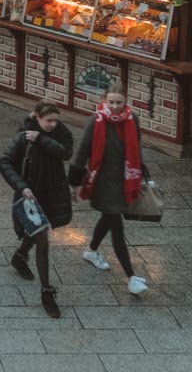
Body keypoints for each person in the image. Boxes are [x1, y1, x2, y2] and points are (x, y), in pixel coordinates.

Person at [70, 83, 152, 296]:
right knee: (116, 226)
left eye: (119, 102)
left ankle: (91, 251)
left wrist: (140, 171)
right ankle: (130, 276)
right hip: (103, 182)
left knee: (108, 219)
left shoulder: (133, 120)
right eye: (111, 102)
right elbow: (82, 152)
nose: (115, 107)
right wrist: (75, 181)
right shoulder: (95, 121)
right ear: (105, 100)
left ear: (126, 102)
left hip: (125, 180)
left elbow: (137, 146)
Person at [0, 100, 74, 319]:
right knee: (42, 240)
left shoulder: (58, 133)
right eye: (48, 120)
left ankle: (20, 256)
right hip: (31, 197)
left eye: (55, 120)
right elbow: (4, 162)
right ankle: (46, 291)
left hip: (52, 195)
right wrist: (21, 187)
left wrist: (42, 139)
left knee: (37, 233)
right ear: (37, 118)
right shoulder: (23, 138)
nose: (53, 124)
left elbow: (66, 152)